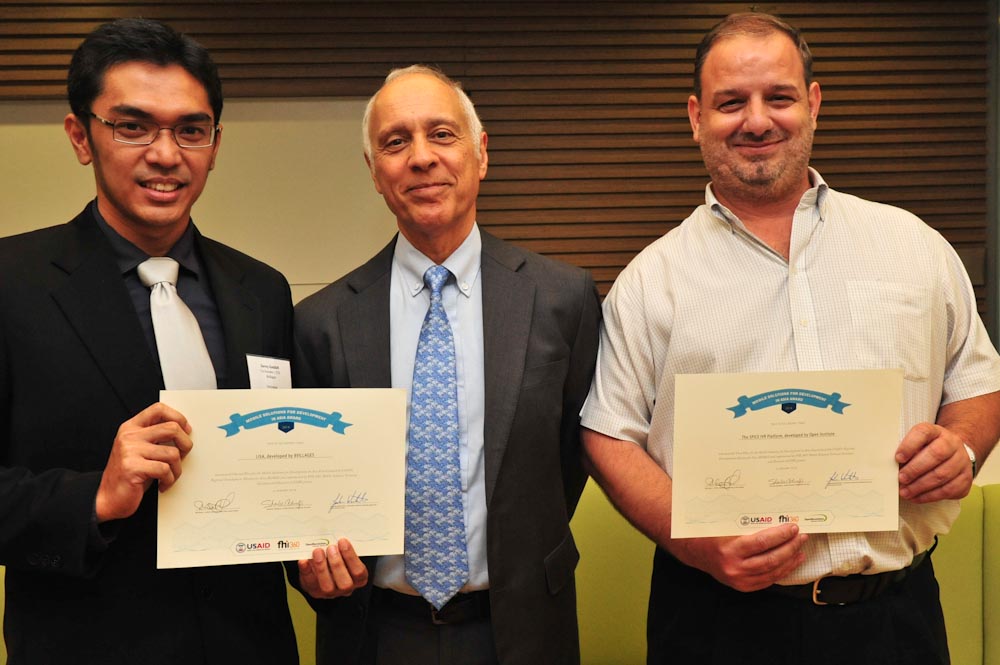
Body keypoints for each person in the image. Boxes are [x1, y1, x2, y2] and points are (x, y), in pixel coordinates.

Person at [580, 12, 1000, 665]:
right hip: (714, 624)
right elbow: (607, 433)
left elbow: (977, 382)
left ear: (813, 103)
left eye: (778, 97)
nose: (756, 120)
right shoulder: (648, 281)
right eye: (730, 103)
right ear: (696, 116)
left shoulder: (914, 247)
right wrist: (695, 540)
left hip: (893, 619)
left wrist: (964, 447)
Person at [0, 18, 301, 664]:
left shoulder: (264, 291)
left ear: (215, 145)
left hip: (250, 646)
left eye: (190, 130)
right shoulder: (10, 284)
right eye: (132, 126)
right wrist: (95, 495)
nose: (166, 154)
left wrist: (324, 562)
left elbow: (284, 471)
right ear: (80, 136)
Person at [294, 64, 601, 665]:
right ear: (375, 173)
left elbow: (570, 456)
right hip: (374, 632)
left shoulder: (562, 299)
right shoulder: (320, 322)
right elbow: (305, 486)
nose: (421, 158)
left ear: (480, 154)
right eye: (395, 141)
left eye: (442, 134)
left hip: (521, 629)